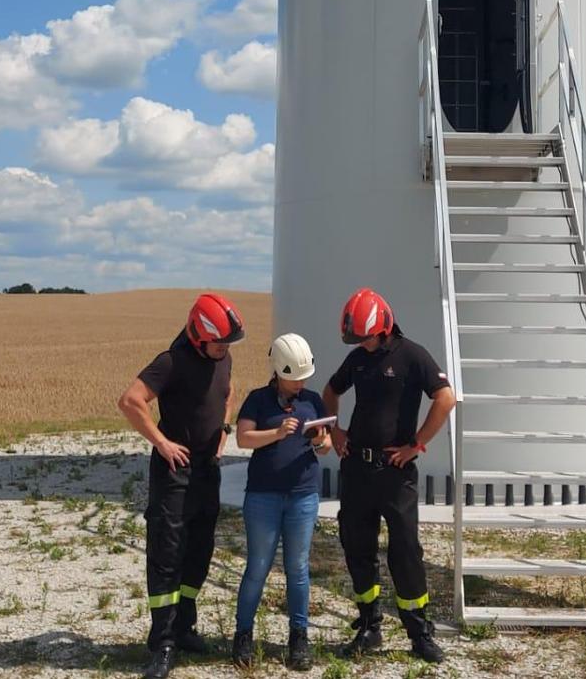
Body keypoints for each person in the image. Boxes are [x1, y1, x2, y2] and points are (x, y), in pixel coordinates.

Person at [322, 288, 456, 663]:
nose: (361, 344)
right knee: (357, 546)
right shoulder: (357, 358)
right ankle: (369, 624)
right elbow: (330, 391)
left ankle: (418, 631)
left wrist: (417, 444)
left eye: (366, 337)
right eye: (356, 339)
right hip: (357, 469)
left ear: (383, 328)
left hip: (396, 474)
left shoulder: (412, 355)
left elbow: (445, 398)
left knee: (406, 551)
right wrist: (335, 431)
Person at [116, 293, 244, 679]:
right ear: (198, 335)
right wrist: (161, 442)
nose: (224, 349)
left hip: (207, 470)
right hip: (174, 472)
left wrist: (224, 429)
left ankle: (185, 627)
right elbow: (130, 401)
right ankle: (163, 642)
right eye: (219, 342)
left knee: (200, 549)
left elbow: (228, 392)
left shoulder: (222, 357)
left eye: (228, 343)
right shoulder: (171, 362)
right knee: (167, 553)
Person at [230, 333, 331, 671]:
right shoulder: (258, 400)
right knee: (258, 566)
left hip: (303, 495)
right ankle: (243, 634)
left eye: (304, 377)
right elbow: (243, 438)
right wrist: (276, 433)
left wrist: (319, 440)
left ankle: (298, 638)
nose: (301, 383)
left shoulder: (313, 401)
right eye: (295, 378)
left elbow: (326, 447)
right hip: (263, 497)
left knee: (298, 569)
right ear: (278, 370)